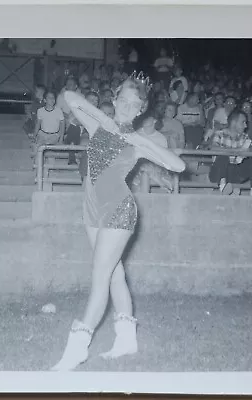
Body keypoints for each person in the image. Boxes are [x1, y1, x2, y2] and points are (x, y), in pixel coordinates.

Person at [50, 72, 186, 371]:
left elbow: (178, 165)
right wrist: (108, 120)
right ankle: (127, 341)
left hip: (118, 209)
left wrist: (139, 140)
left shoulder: (136, 142)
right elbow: (69, 98)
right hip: (91, 209)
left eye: (133, 103)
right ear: (114, 100)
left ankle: (77, 347)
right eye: (121, 100)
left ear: (140, 110)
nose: (125, 106)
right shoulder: (97, 125)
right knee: (114, 276)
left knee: (100, 279)